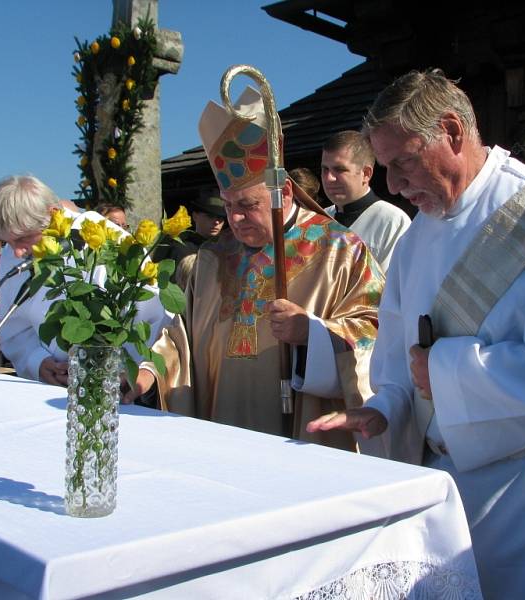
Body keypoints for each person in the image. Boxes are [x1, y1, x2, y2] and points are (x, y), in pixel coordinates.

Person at [307, 69, 525, 599]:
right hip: (455, 491)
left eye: (402, 163)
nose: (392, 186)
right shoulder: (416, 238)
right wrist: (386, 407)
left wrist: (443, 369)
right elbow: (400, 357)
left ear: (452, 132)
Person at [126, 86, 384, 451]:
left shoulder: (340, 250)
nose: (236, 217)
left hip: (300, 435)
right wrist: (147, 374)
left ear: (286, 194)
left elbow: (375, 329)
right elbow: (180, 337)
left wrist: (313, 334)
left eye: (249, 204)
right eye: (229, 205)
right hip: (219, 429)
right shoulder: (213, 258)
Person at [0, 175, 173, 386]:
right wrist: (37, 362)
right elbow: (14, 326)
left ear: (53, 214)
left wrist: (131, 372)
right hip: (51, 383)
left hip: (114, 383)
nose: (17, 253)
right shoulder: (13, 253)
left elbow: (155, 318)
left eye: (22, 238)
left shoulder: (105, 237)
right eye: (7, 242)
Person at [321, 130, 411, 271]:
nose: (328, 178)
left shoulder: (392, 221)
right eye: (325, 169)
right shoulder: (319, 219)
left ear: (366, 174)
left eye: (339, 170)